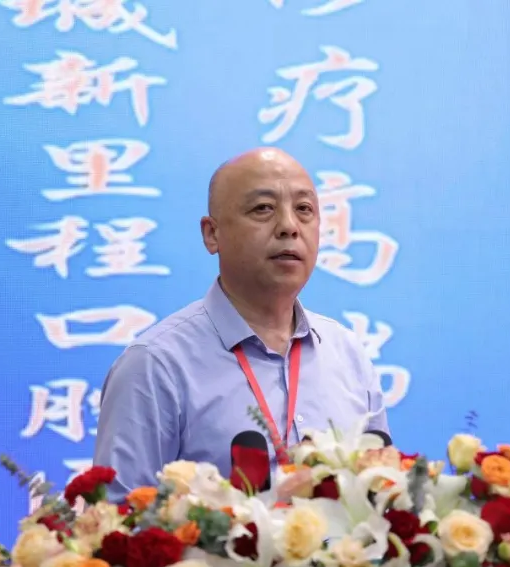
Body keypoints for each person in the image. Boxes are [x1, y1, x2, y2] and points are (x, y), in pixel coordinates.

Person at [93, 147, 390, 496]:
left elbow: (382, 498)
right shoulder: (156, 366)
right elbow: (120, 515)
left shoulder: (348, 354)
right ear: (212, 234)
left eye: (304, 209)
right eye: (263, 208)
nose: (289, 227)